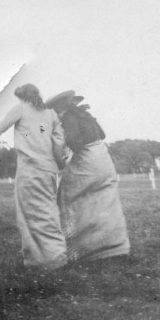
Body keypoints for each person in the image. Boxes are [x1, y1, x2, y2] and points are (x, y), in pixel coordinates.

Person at [0, 84, 68, 270]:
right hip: (49, 172)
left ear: (22, 97)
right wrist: (60, 165)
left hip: (29, 171)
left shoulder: (20, 109)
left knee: (30, 214)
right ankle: (47, 257)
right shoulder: (51, 114)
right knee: (48, 211)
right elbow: (58, 145)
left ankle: (48, 259)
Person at [45, 91, 130, 266]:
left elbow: (72, 143)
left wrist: (59, 155)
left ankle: (76, 251)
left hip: (88, 160)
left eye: (55, 110)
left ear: (61, 108)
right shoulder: (85, 115)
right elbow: (103, 135)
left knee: (66, 196)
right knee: (105, 198)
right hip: (103, 158)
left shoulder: (67, 119)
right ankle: (114, 247)